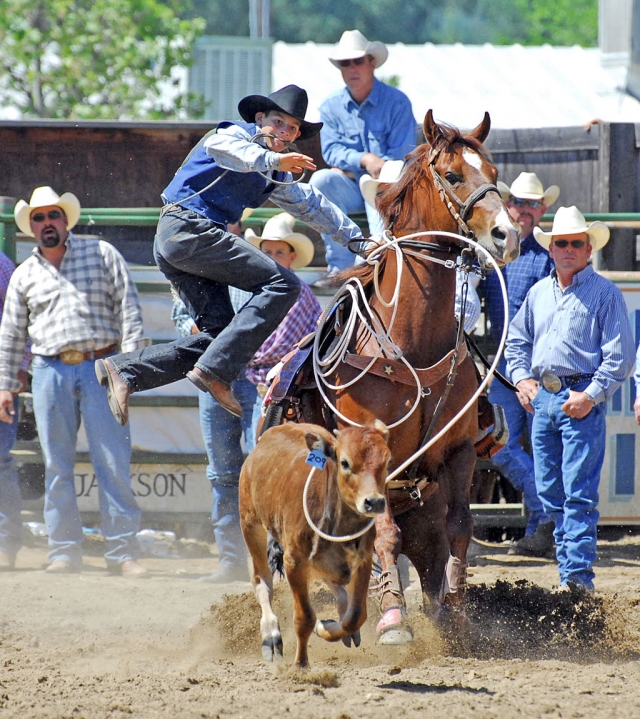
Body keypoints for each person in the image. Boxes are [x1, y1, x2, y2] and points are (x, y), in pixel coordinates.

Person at [96, 84, 364, 426]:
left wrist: (358, 241)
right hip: (188, 228)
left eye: (292, 128)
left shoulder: (276, 172)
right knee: (284, 285)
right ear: (260, 118)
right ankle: (214, 373)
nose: (285, 132)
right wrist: (275, 158)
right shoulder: (232, 135)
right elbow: (228, 152)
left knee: (219, 336)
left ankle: (125, 371)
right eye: (278, 123)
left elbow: (311, 204)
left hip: (185, 241)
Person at [0, 186, 147, 575]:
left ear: (65, 220)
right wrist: (5, 384)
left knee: (113, 461)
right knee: (57, 464)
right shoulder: (24, 274)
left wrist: (128, 370)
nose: (47, 223)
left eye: (52, 215)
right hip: (49, 369)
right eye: (39, 217)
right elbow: (12, 333)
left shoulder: (101, 253)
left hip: (103, 366)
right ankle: (64, 551)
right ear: (31, 226)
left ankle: (122, 552)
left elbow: (130, 309)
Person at [505, 206, 635, 591]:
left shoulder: (605, 294)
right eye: (560, 243)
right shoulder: (539, 292)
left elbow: (620, 357)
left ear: (588, 248)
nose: (567, 249)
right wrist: (521, 380)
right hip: (543, 401)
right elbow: (516, 341)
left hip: (578, 399)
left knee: (576, 493)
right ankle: (570, 576)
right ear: (551, 248)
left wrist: (591, 396)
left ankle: (577, 581)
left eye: (575, 243)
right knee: (550, 492)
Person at [484, 171, 560, 557]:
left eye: (532, 204)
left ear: (541, 209)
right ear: (508, 206)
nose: (525, 210)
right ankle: (546, 519)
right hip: (501, 366)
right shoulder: (491, 253)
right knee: (500, 445)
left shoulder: (546, 259)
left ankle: (541, 527)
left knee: (541, 447)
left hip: (538, 368)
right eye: (519, 203)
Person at [310, 30, 416, 283]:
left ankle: (375, 260)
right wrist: (365, 159)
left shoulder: (398, 102)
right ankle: (340, 268)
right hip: (353, 187)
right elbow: (331, 152)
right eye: (345, 63)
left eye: (358, 61)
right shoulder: (330, 106)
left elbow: (401, 154)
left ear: (372, 62)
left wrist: (365, 167)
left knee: (377, 183)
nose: (352, 68)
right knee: (321, 181)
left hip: (388, 188)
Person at [359, 160, 482, 331]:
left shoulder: (439, 246)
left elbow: (467, 310)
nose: (387, 202)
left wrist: (428, 340)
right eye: (381, 195)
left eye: (396, 195)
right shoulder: (370, 248)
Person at [0, 251, 30, 571]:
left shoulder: (0, 265)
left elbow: (21, 318)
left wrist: (16, 370)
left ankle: (5, 543)